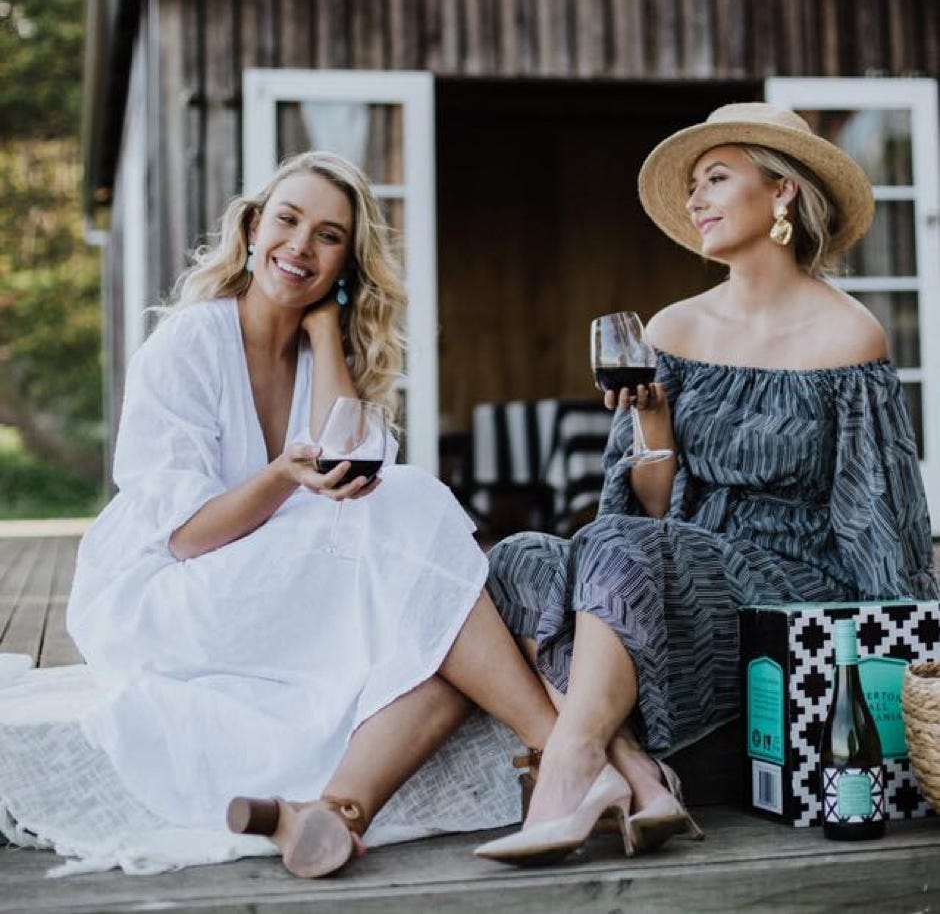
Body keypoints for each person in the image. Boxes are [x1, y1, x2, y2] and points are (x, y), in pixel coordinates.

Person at [0, 151, 558, 878]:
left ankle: (335, 814)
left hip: (277, 584)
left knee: (428, 630)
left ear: (347, 264)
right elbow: (186, 537)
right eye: (288, 220)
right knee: (422, 552)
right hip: (168, 595)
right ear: (254, 226)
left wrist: (326, 334)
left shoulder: (319, 352)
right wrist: (279, 477)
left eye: (328, 236)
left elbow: (357, 473)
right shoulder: (188, 344)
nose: (300, 246)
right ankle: (571, 748)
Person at [477, 102, 939, 866]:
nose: (695, 200)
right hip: (680, 574)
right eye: (691, 185)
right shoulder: (671, 331)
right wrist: (654, 425)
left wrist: (900, 666)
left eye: (715, 178)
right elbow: (644, 512)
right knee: (517, 559)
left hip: (789, 595)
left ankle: (569, 770)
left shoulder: (847, 336)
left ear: (782, 190)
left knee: (619, 547)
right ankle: (640, 778)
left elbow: (877, 517)